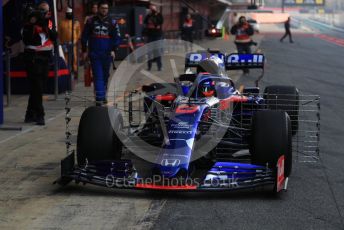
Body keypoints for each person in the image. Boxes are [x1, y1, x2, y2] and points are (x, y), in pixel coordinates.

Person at [22, 1, 57, 125]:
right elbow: (26, 40)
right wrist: (33, 24)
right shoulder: (28, 23)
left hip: (45, 58)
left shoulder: (49, 23)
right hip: (33, 59)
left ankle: (29, 114)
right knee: (37, 87)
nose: (44, 14)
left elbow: (54, 37)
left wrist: (46, 27)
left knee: (37, 88)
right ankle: (40, 115)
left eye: (46, 11)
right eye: (41, 11)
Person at [81, 0, 121, 105]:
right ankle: (99, 98)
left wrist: (114, 49)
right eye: (102, 8)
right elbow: (84, 36)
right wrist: (84, 51)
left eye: (106, 8)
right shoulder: (90, 21)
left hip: (107, 53)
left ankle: (102, 95)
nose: (104, 10)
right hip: (94, 53)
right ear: (98, 8)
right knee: (98, 76)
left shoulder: (112, 22)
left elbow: (117, 38)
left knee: (105, 76)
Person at [58, 7, 81, 77]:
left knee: (74, 58)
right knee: (66, 58)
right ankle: (67, 71)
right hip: (64, 44)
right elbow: (59, 33)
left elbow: (78, 33)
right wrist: (62, 42)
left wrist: (75, 41)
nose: (69, 15)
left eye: (70, 14)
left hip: (73, 44)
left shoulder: (76, 23)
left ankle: (75, 71)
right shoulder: (61, 23)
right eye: (68, 14)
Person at [143, 4, 164, 71]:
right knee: (149, 52)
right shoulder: (148, 16)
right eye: (151, 9)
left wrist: (156, 15)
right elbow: (145, 22)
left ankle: (159, 67)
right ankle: (149, 67)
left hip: (157, 36)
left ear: (155, 9)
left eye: (153, 9)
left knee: (157, 51)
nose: (152, 10)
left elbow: (161, 21)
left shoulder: (159, 15)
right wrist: (149, 15)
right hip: (150, 36)